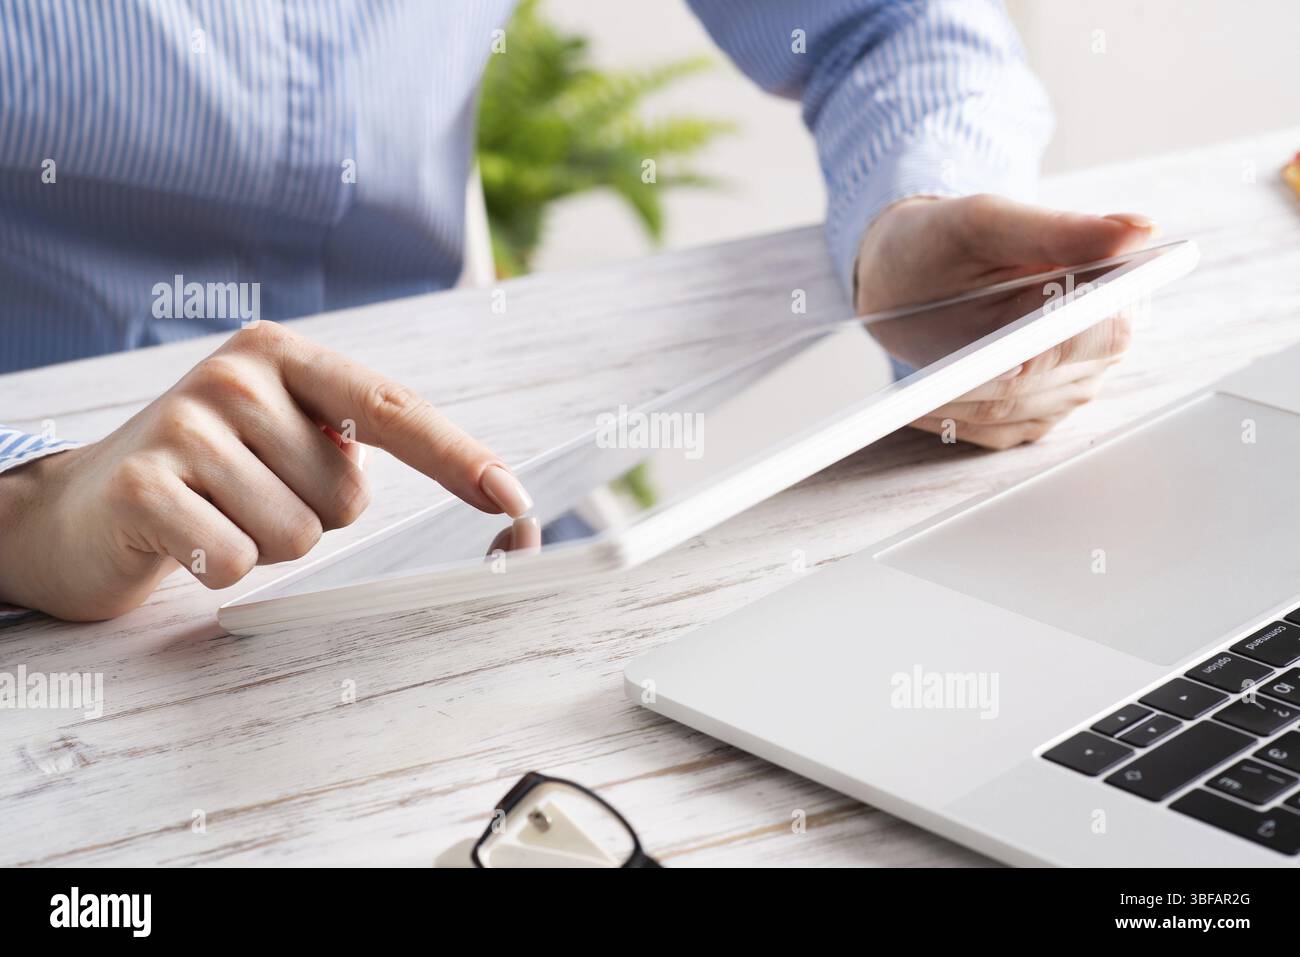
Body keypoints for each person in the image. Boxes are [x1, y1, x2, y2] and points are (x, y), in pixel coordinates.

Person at [0, 0, 1155, 621]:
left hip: (463, 520)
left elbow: (883, 21)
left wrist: (911, 216)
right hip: (71, 611)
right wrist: (30, 504)